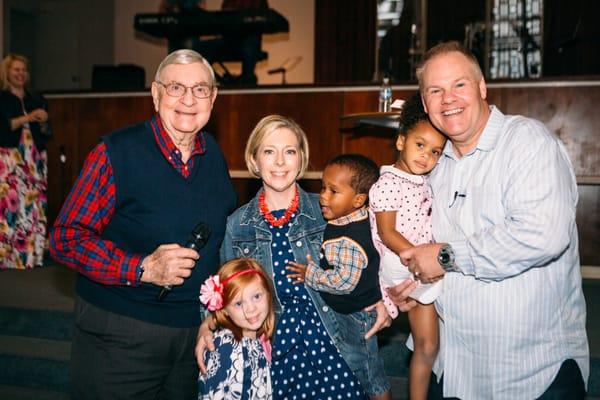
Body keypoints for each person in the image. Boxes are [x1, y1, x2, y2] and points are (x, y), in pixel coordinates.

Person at [395, 41, 589, 399]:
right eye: (435, 91)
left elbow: (544, 235)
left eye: (459, 85)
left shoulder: (527, 142)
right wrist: (409, 284)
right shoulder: (434, 168)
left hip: (529, 377)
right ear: (425, 104)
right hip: (453, 372)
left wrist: (444, 257)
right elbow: (419, 244)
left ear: (482, 87)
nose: (447, 98)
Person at [49, 49, 237, 400]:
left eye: (200, 89)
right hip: (121, 338)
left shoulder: (213, 156)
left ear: (213, 98)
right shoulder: (116, 152)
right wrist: (141, 268)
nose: (188, 99)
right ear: (155, 94)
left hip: (193, 340)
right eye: (176, 88)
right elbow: (66, 239)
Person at [196, 114, 391, 400]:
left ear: (301, 159)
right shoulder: (237, 225)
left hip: (336, 344)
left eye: (289, 152)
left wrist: (384, 297)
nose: (279, 162)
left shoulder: (331, 212)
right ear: (254, 160)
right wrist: (207, 322)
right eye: (269, 152)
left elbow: (378, 255)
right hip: (274, 353)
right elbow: (225, 291)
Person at [286, 154, 392, 400]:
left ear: (358, 199)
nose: (323, 196)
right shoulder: (352, 217)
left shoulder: (348, 239)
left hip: (358, 317)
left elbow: (344, 281)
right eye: (323, 187)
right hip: (352, 311)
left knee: (368, 371)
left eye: (334, 191)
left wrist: (311, 274)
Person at [369, 92, 446, 399]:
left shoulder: (421, 181)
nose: (426, 156)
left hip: (415, 260)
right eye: (420, 145)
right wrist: (418, 260)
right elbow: (387, 233)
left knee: (429, 345)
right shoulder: (389, 182)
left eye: (436, 152)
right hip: (400, 260)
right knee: (427, 340)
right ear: (400, 141)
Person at [0, 53, 51, 269]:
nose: (21, 74)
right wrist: (29, 117)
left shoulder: (36, 98)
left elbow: (48, 133)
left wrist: (44, 123)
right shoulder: (2, 98)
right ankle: (7, 257)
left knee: (33, 205)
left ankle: (30, 256)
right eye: (16, 70)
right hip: (11, 157)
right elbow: (5, 126)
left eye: (24, 70)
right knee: (9, 206)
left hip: (34, 157)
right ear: (7, 72)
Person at [198, 258, 275, 399]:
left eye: (257, 296)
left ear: (268, 294)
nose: (250, 309)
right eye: (239, 303)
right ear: (225, 309)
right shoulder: (226, 346)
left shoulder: (260, 340)